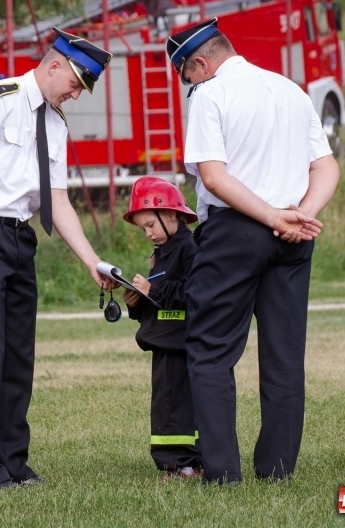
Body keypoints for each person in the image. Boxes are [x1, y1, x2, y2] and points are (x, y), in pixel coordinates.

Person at [0, 27, 115, 489]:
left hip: (19, 239)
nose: (75, 95)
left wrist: (91, 261)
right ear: (54, 65)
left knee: (18, 359)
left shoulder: (54, 123)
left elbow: (58, 200)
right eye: (74, 83)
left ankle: (13, 461)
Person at [165, 18, 341, 485]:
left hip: (236, 232)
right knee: (285, 354)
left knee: (209, 351)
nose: (190, 86)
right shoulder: (290, 90)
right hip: (293, 230)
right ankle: (277, 470)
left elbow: (215, 177)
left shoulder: (211, 95)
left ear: (199, 63)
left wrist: (270, 217)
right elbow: (326, 166)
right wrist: (299, 214)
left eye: (187, 77)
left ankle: (222, 473)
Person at [121, 177, 202, 481]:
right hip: (164, 341)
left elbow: (194, 293)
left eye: (150, 225)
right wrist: (136, 301)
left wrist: (153, 289)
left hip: (179, 342)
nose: (147, 233)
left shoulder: (188, 249)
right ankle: (181, 462)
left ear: (171, 215)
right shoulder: (165, 249)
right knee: (166, 404)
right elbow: (159, 302)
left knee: (174, 405)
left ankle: (182, 464)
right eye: (142, 228)